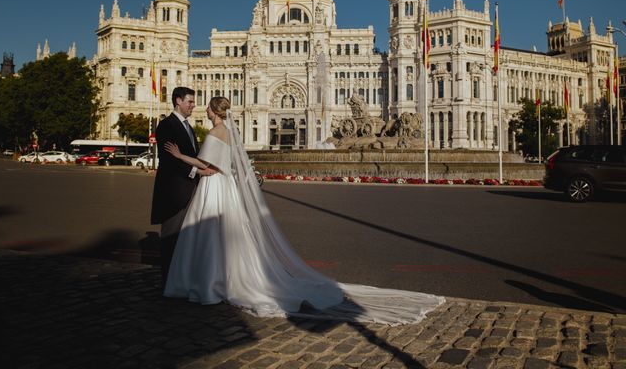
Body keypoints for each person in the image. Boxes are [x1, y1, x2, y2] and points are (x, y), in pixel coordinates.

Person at [163, 96, 445, 325]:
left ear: (213, 111)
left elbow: (209, 167)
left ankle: (209, 281)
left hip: (214, 188)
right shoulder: (230, 132)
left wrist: (181, 157)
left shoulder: (215, 132)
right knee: (231, 236)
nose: (201, 108)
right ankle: (222, 279)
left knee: (210, 235)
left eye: (206, 107)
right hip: (228, 191)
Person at [151, 86, 215, 289]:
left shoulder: (189, 127)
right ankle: (167, 283)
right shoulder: (166, 126)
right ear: (178, 101)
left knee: (185, 239)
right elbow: (170, 160)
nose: (193, 105)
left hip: (189, 189)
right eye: (190, 101)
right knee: (171, 237)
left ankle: (180, 281)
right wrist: (196, 172)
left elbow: (192, 156)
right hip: (174, 192)